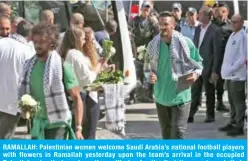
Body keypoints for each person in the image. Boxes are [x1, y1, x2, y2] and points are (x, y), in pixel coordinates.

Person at [18, 23, 84, 140]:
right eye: (35, 42)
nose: (37, 45)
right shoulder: (28, 66)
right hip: (37, 123)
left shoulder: (62, 66)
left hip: (58, 125)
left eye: (42, 42)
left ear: (52, 43)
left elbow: (77, 98)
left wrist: (78, 128)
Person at [148, 11, 202, 139]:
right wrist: (149, 75)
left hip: (180, 97)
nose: (162, 27)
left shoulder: (186, 43)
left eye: (165, 24)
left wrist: (195, 74)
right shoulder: (153, 45)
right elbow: (147, 67)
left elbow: (199, 64)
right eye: (160, 24)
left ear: (173, 25)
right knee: (166, 134)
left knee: (178, 134)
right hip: (161, 98)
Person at [60, 27, 106, 139]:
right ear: (75, 40)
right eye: (82, 39)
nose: (84, 41)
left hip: (79, 96)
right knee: (89, 136)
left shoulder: (66, 53)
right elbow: (87, 79)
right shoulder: (74, 54)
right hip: (84, 98)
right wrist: (99, 64)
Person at [0, 20, 34, 139]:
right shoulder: (28, 52)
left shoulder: (1, 43)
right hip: (12, 103)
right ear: (30, 35)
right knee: (5, 138)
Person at [188, 6, 222, 123]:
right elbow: (195, 46)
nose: (199, 16)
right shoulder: (197, 29)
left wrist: (214, 71)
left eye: (201, 14)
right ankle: (190, 114)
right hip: (197, 66)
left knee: (209, 91)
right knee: (194, 91)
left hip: (209, 66)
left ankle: (210, 115)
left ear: (207, 16)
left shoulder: (215, 30)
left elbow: (217, 52)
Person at [219, 14, 247, 136]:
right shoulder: (232, 35)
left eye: (236, 22)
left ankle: (239, 126)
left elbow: (243, 57)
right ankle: (233, 121)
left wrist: (232, 68)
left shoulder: (243, 36)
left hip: (237, 74)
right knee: (231, 101)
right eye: (232, 22)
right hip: (229, 74)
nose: (233, 24)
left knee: (239, 102)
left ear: (241, 23)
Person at [212, 3, 232, 112]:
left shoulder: (231, 26)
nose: (220, 15)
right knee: (213, 83)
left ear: (227, 12)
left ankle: (221, 103)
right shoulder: (210, 26)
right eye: (216, 13)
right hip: (213, 59)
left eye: (222, 12)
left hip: (227, 60)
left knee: (225, 84)